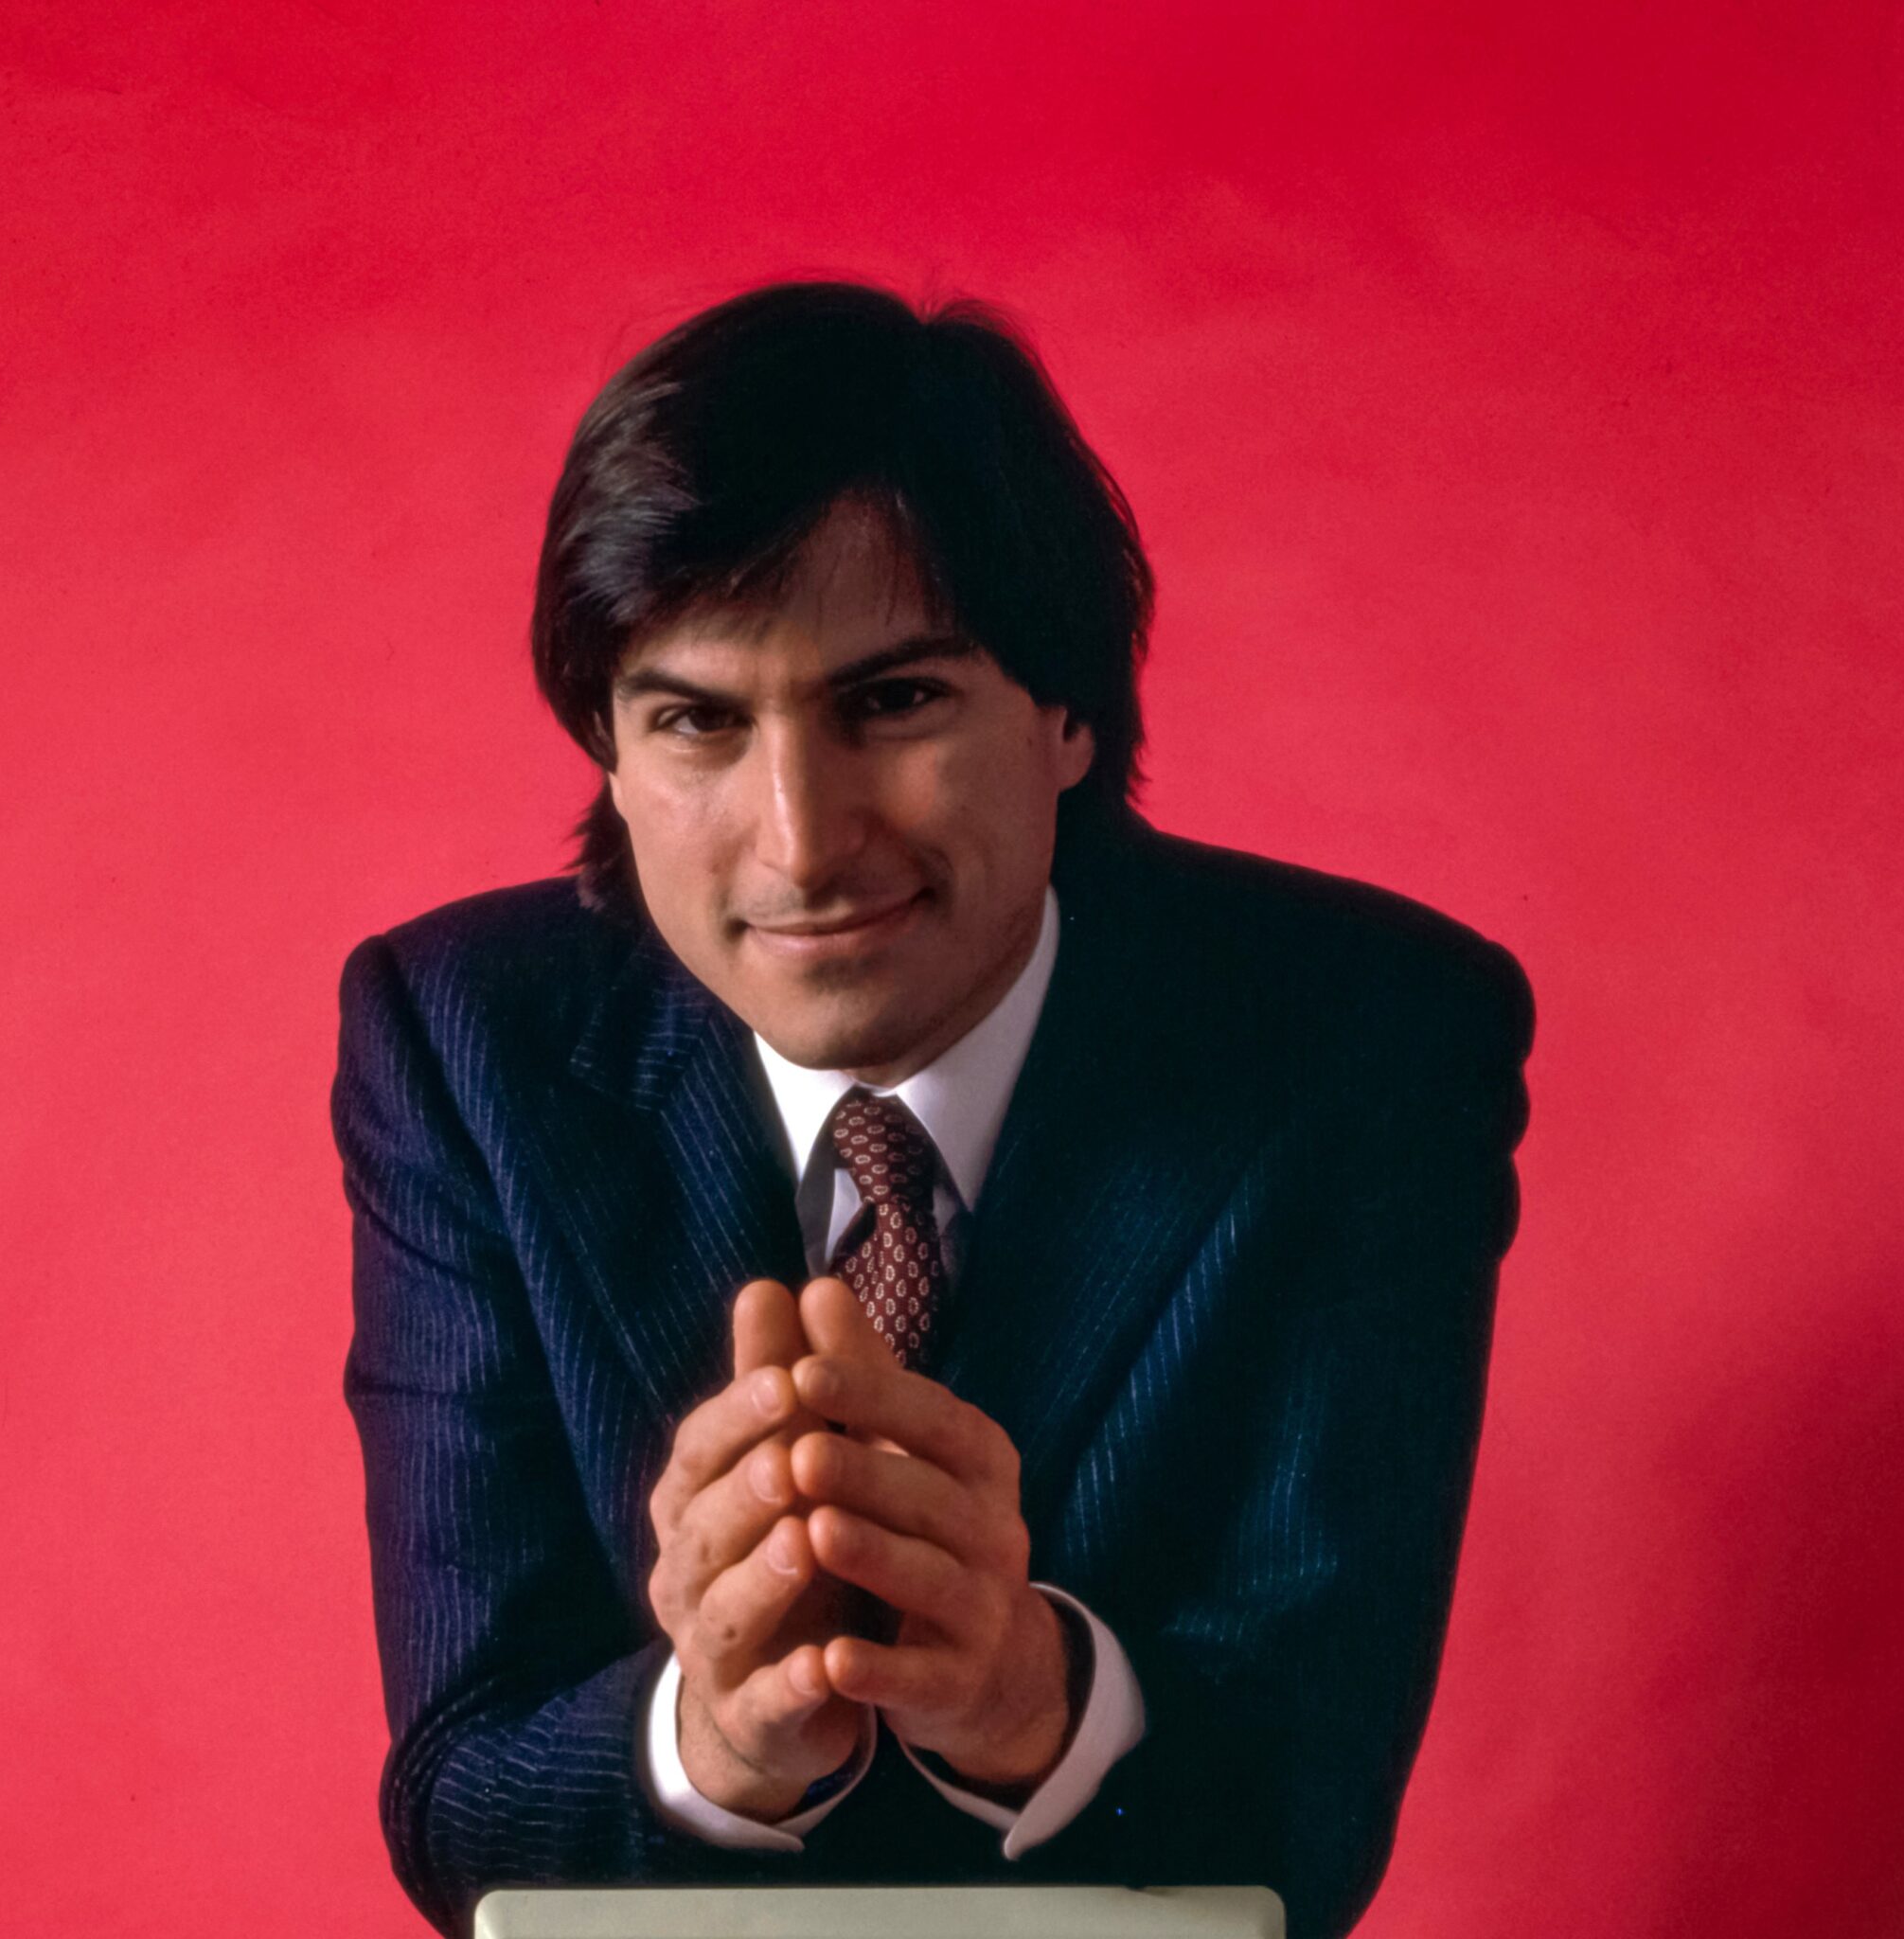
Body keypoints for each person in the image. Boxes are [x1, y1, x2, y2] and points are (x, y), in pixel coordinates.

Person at [330, 281, 1534, 1938]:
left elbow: (1308, 1813)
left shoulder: (1370, 1038)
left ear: (1068, 711)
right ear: (606, 749)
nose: (803, 842)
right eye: (697, 721)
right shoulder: (461, 1040)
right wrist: (716, 1742)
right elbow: (460, 1799)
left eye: (892, 702)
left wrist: (1031, 1698)